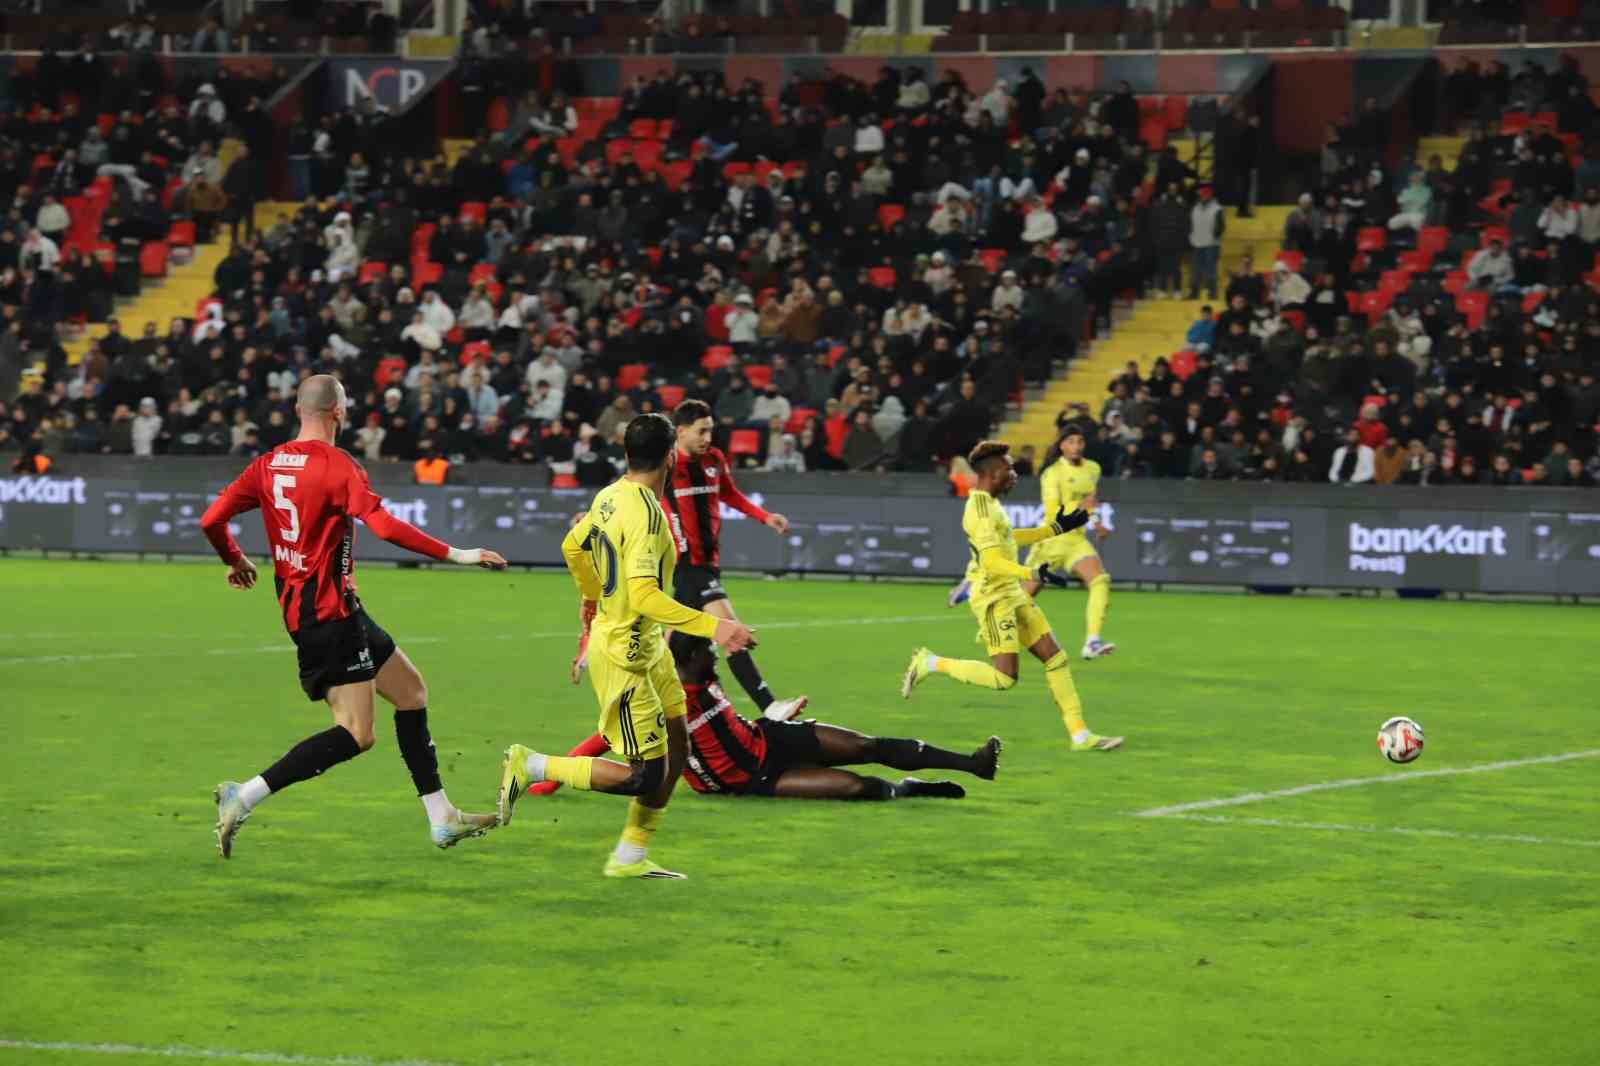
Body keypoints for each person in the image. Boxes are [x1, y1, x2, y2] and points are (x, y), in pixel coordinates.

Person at [199, 375, 508, 859]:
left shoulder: (267, 464)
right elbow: (383, 525)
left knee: (411, 693)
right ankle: (247, 794)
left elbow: (210, 520)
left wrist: (235, 560)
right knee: (357, 734)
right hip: (329, 615)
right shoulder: (337, 465)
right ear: (338, 412)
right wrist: (458, 554)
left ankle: (441, 816)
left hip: (323, 610)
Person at [495, 413, 756, 880]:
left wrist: (591, 596)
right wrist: (716, 628)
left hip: (648, 646)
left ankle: (630, 856)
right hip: (624, 655)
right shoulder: (647, 514)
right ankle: (531, 764)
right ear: (672, 456)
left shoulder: (610, 496)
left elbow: (572, 547)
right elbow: (643, 595)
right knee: (643, 775)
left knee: (678, 742)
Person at [533, 632, 1001, 802]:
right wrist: (551, 779)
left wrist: (778, 714)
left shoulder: (699, 675)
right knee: (862, 788)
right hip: (746, 781)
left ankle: (972, 763)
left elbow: (726, 720)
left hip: (767, 739)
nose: (717, 662)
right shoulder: (660, 699)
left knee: (865, 746)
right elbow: (602, 738)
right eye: (709, 656)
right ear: (688, 661)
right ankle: (910, 790)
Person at [902, 440, 1122, 753]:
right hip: (993, 599)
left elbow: (1011, 537)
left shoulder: (991, 503)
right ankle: (931, 663)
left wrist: (1057, 528)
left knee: (1056, 658)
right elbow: (992, 561)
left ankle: (1080, 736)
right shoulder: (978, 510)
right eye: (1010, 469)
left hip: (1010, 593)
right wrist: (1033, 574)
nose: (1015, 474)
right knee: (1005, 678)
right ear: (993, 474)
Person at [654, 399, 805, 718]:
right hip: (687, 563)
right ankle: (770, 705)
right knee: (731, 631)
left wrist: (764, 517)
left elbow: (730, 494)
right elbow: (628, 493)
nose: (708, 437)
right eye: (701, 431)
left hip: (709, 563)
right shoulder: (664, 465)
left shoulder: (714, 459)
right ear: (680, 432)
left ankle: (642, 703)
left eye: (710, 431)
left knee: (674, 647)